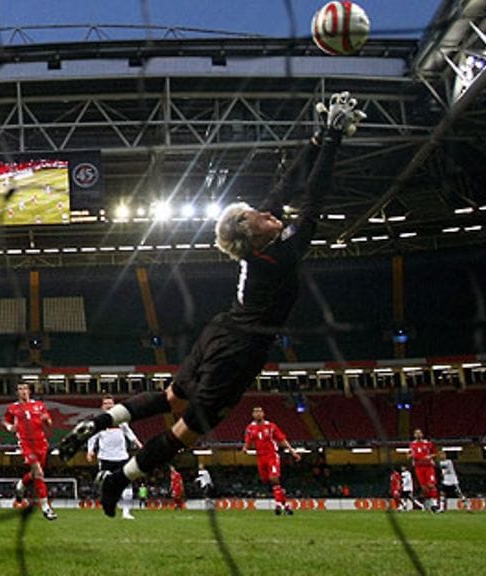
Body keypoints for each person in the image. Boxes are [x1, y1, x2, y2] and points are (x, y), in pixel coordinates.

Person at [53, 92, 366, 517]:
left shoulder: (262, 240)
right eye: (261, 216)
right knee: (186, 431)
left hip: (221, 332)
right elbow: (313, 201)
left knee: (171, 396)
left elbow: (286, 184)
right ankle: (118, 479)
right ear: (250, 233)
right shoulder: (277, 256)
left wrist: (316, 140)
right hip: (240, 350)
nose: (272, 214)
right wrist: (332, 142)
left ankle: (103, 421)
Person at [3, 382, 57, 521]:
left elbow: (49, 422)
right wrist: (11, 428)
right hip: (26, 444)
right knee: (39, 472)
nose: (23, 391)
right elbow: (6, 422)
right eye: (20, 389)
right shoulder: (12, 408)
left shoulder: (39, 405)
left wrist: (47, 420)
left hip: (41, 443)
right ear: (17, 392)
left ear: (29, 391)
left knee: (35, 474)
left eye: (25, 388)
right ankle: (46, 507)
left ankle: (21, 484)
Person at [87, 394, 143, 520]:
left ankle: (126, 512)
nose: (108, 405)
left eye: (110, 403)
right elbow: (92, 437)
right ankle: (107, 505)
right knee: (106, 484)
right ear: (102, 407)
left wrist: (138, 443)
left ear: (114, 406)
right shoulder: (99, 422)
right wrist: (90, 451)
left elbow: (129, 433)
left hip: (122, 457)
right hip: (105, 458)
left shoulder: (120, 420)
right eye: (106, 403)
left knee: (127, 485)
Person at [242, 405, 301, 515]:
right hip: (260, 457)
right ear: (253, 415)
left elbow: (282, 439)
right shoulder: (250, 428)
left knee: (274, 478)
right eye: (255, 412)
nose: (258, 414)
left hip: (271, 455)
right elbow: (248, 441)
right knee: (269, 482)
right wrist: (245, 448)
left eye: (260, 411)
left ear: (263, 414)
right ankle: (286, 505)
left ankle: (278, 504)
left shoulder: (271, 426)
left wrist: (292, 451)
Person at [408, 428, 440, 512]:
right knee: (424, 487)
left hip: (428, 466)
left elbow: (435, 453)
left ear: (422, 434)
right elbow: (409, 454)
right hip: (418, 467)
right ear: (414, 435)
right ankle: (430, 505)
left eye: (419, 433)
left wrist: (430, 456)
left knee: (431, 484)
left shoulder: (428, 443)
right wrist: (410, 456)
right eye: (416, 433)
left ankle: (435, 504)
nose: (418, 435)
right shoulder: (412, 444)